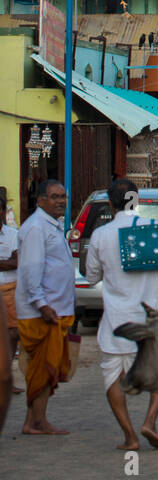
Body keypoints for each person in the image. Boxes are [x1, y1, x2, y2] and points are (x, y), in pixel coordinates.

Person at [85, 178, 158, 451]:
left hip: (119, 319)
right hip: (155, 319)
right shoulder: (154, 229)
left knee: (113, 377)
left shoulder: (102, 236)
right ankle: (150, 421)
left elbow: (91, 277)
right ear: (136, 200)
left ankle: (130, 436)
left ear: (110, 204)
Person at [15, 179, 76, 436]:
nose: (60, 201)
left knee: (45, 368)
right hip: (42, 312)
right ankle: (37, 421)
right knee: (42, 368)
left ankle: (34, 420)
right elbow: (31, 270)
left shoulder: (53, 225)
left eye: (62, 196)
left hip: (55, 310)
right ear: (40, 201)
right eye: (54, 196)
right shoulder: (36, 228)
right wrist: (41, 305)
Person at [0, 197, 20, 392]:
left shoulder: (13, 234)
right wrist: (6, 261)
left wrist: (9, 262)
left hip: (9, 290)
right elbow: (11, 261)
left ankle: (7, 379)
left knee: (12, 334)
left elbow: (16, 262)